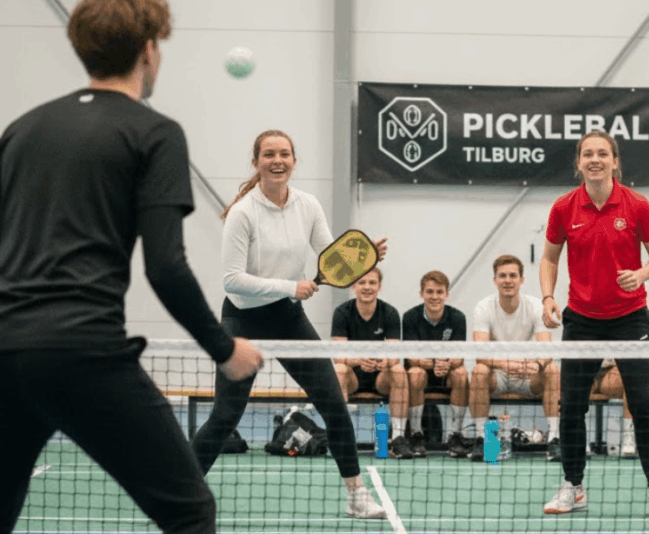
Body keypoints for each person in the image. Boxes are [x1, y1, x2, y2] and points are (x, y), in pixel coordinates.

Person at [0, 1, 265, 532]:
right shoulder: (154, 132)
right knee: (190, 511)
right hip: (82, 352)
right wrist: (225, 348)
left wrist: (22, 314)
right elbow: (165, 267)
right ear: (149, 50)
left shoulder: (23, 128)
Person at [190, 129, 387, 519]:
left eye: (284, 154)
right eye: (268, 154)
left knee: (333, 403)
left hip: (287, 317)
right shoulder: (243, 212)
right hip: (242, 318)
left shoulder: (308, 205)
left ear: (294, 161)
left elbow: (332, 258)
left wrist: (362, 258)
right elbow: (231, 279)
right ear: (256, 162)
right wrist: (289, 285)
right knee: (226, 415)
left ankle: (356, 495)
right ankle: (180, 494)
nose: (277, 160)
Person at [539, 131, 649, 518]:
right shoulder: (564, 208)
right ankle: (573, 486)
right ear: (578, 163)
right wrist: (548, 297)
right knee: (571, 407)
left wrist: (642, 273)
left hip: (630, 317)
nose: (595, 159)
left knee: (644, 404)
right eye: (587, 154)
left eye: (602, 153)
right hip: (580, 318)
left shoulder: (637, 205)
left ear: (615, 161)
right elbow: (549, 259)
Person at [470, 254, 561, 462]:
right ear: (495, 280)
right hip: (498, 375)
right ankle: (480, 439)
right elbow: (479, 353)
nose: (508, 280)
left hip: (528, 375)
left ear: (521, 280)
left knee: (553, 370)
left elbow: (546, 348)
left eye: (513, 275)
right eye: (502, 276)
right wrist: (505, 364)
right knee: (478, 371)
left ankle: (555, 439)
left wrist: (535, 365)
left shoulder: (536, 306)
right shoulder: (483, 307)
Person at [333, 268, 413, 459]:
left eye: (372, 283)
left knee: (399, 370)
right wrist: (360, 361)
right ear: (354, 286)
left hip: (380, 378)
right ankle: (342, 438)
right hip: (353, 377)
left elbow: (394, 355)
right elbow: (337, 355)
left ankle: (398, 438)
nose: (367, 287)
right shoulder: (342, 312)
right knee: (339, 369)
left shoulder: (390, 313)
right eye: (362, 282)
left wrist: (382, 364)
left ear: (379, 287)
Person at [403, 270, 469, 458]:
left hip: (445, 373)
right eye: (430, 292)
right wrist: (433, 365)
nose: (434, 297)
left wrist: (448, 365)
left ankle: (455, 435)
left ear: (447, 294)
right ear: (422, 294)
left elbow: (459, 356)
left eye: (439, 292)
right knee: (415, 373)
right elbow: (410, 357)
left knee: (461, 374)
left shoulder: (457, 317)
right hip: (421, 373)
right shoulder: (410, 317)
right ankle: (416, 434)